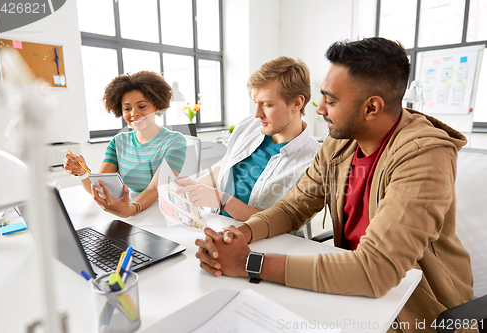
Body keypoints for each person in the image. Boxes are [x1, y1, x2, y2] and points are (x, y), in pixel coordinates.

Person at [195, 38, 475, 332]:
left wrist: (250, 263)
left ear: (371, 108)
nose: (320, 109)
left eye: (331, 100)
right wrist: (239, 235)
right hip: (353, 293)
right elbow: (293, 207)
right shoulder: (340, 144)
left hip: (415, 311)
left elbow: (374, 270)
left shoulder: (423, 155)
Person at [175, 56, 320, 222]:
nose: (257, 114)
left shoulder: (314, 162)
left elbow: (280, 223)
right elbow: (224, 167)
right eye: (255, 103)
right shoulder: (248, 125)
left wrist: (224, 201)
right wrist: (196, 186)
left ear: (296, 103)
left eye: (267, 104)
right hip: (218, 227)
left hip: (264, 244)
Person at [64, 71, 187, 218]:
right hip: (130, 210)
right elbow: (100, 187)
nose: (134, 113)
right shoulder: (118, 142)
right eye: (127, 108)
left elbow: (155, 188)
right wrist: (82, 172)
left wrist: (131, 209)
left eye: (142, 106)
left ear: (156, 106)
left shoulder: (175, 141)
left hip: (162, 211)